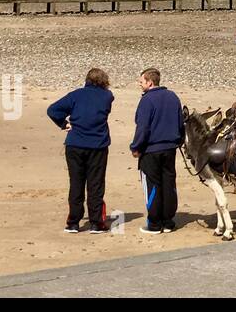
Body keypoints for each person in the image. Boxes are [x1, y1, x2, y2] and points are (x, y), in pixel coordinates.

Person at [47, 68, 114, 233]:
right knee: (95, 184)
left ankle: (73, 222)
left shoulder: (76, 95)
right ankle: (96, 222)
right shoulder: (107, 96)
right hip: (97, 146)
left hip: (75, 145)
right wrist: (64, 124)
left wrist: (63, 124)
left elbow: (53, 110)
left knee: (76, 183)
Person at [130, 68, 184, 234]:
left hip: (151, 149)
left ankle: (155, 223)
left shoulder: (148, 100)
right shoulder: (173, 97)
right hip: (169, 148)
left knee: (152, 184)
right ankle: (168, 221)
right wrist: (179, 141)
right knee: (168, 183)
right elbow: (181, 123)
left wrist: (136, 147)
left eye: (141, 81)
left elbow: (143, 127)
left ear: (150, 82)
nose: (140, 84)